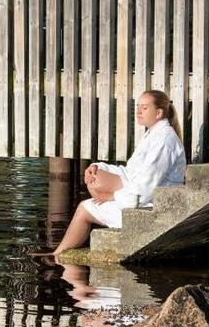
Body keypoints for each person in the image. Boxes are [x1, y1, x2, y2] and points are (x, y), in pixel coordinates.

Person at [52, 90, 186, 257]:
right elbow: (130, 172)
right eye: (138, 107)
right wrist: (96, 166)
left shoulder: (165, 139)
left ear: (158, 113)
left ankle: (59, 255)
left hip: (152, 207)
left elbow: (147, 186)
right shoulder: (153, 135)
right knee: (96, 178)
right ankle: (61, 255)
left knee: (85, 208)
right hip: (139, 199)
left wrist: (114, 196)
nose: (138, 111)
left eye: (144, 108)